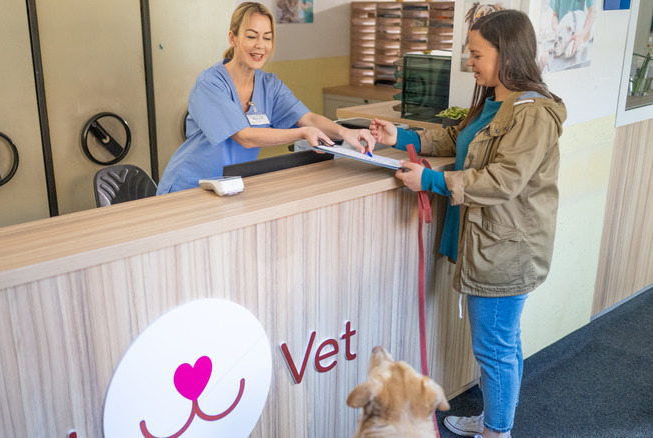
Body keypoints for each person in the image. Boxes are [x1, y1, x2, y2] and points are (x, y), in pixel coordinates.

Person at [369, 10, 566, 438]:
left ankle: (498, 430)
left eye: (477, 54)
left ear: (507, 53)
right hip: (490, 243)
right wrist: (399, 137)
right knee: (503, 344)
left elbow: (503, 180)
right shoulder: (495, 100)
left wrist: (433, 180)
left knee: (494, 348)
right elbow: (458, 139)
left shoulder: (532, 113)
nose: (470, 62)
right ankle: (498, 419)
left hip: (507, 248)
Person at [157, 2, 374, 194]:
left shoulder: (269, 85)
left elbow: (307, 118)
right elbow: (245, 137)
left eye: (267, 37)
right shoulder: (210, 83)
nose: (260, 45)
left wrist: (346, 132)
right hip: (189, 186)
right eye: (251, 36)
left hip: (230, 186)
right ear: (233, 37)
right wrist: (301, 133)